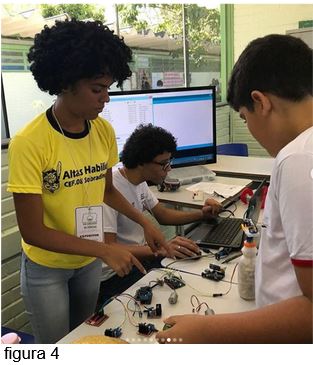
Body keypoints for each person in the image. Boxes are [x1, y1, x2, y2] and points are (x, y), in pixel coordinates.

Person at [7, 19, 169, 344]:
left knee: (82, 338)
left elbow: (106, 190)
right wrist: (105, 250)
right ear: (66, 83)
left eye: (109, 88)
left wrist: (145, 221)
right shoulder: (29, 142)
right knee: (57, 347)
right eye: (98, 89)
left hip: (88, 262)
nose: (106, 98)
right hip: (47, 268)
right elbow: (33, 231)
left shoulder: (103, 132)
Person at [156, 34, 313, 343]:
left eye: (244, 117)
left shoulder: (298, 159)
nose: (251, 130)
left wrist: (206, 331)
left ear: (261, 101)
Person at [97, 124, 222, 305]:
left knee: (192, 274)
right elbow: (110, 247)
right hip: (115, 275)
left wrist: (202, 214)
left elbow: (163, 215)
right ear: (141, 162)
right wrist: (160, 250)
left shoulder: (138, 182)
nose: (169, 169)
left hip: (139, 261)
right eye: (164, 164)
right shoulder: (111, 190)